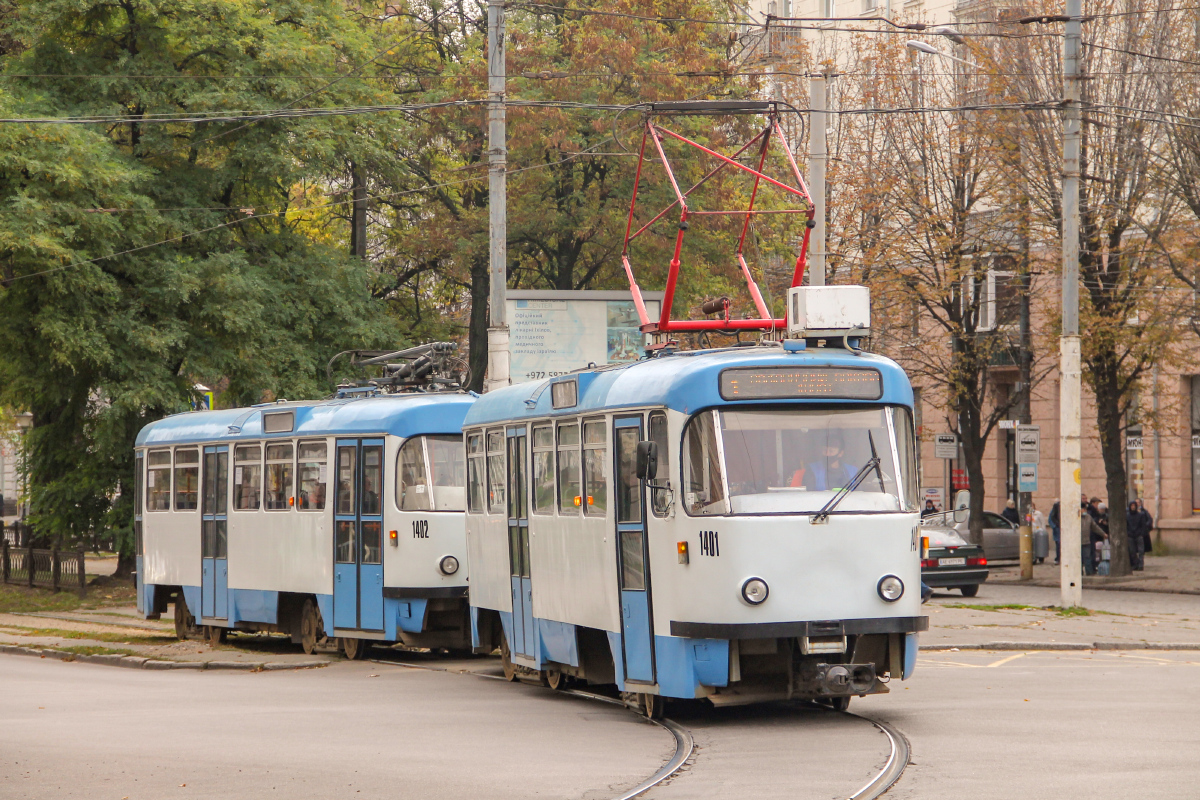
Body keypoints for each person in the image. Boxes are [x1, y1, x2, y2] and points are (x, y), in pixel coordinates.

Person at [1081, 501, 1108, 576]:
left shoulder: (1088, 517)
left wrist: (1103, 534)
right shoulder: (1075, 518)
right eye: (1083, 509)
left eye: (1085, 509)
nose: (1085, 511)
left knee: (1087, 558)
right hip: (1077, 542)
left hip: (1086, 541)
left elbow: (1095, 527)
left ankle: (1089, 572)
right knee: (1078, 559)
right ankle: (1079, 573)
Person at [1126, 500, 1147, 571]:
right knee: (1132, 551)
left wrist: (1141, 534)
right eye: (1131, 506)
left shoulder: (1141, 515)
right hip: (1130, 536)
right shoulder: (1127, 516)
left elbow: (1143, 525)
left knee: (1141, 551)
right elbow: (1126, 526)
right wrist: (1128, 533)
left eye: (1134, 506)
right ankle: (1135, 564)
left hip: (1139, 535)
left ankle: (1141, 565)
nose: (1133, 507)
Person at [1048, 499, 1061, 565]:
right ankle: (1058, 558)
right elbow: (1051, 518)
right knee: (1059, 543)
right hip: (1058, 527)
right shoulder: (1056, 506)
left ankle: (1059, 558)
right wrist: (1056, 526)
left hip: (1061, 527)